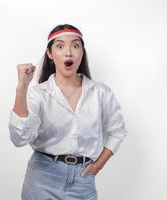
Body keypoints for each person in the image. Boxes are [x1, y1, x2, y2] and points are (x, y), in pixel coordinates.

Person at [8, 24, 127, 200]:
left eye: (75, 45)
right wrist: (22, 87)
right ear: (50, 54)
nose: (68, 52)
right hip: (43, 178)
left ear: (82, 52)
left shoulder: (101, 93)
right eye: (60, 46)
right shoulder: (38, 94)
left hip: (83, 181)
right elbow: (19, 138)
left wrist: (97, 166)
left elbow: (117, 131)